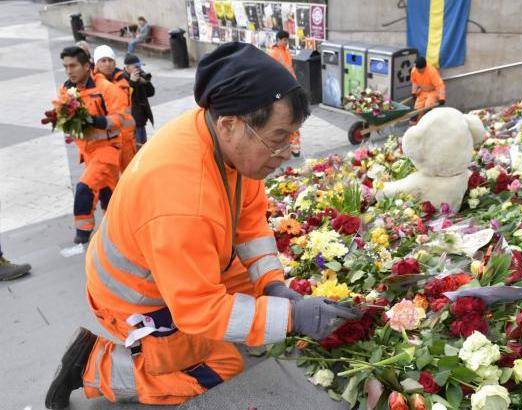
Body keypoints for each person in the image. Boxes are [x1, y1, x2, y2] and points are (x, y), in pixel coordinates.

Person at [44, 42, 360, 409]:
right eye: (278, 137)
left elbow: (251, 222)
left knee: (255, 309)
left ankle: (247, 320)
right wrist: (292, 317)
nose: (288, 151)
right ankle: (94, 367)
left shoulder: (225, 141)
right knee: (222, 365)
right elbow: (198, 310)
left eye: (292, 137)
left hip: (175, 266)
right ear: (229, 125)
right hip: (137, 297)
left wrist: (272, 286)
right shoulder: (182, 196)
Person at [52, 47, 129, 244]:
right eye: (65, 66)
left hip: (108, 149)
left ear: (87, 66)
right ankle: (121, 226)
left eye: (73, 65)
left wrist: (93, 121)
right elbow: (63, 114)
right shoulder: (67, 90)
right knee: (108, 192)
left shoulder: (106, 89)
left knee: (85, 187)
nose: (69, 71)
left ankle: (83, 232)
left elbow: (121, 118)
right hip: (88, 153)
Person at [93, 45, 137, 171]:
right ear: (96, 64)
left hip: (128, 139)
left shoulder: (123, 80)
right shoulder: (94, 85)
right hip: (109, 140)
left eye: (110, 60)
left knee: (130, 176)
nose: (107, 64)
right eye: (103, 60)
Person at [268, 30, 301, 157]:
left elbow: (290, 69)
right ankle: (282, 146)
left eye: (287, 40)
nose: (287, 42)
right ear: (279, 39)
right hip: (279, 91)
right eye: (285, 40)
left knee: (294, 116)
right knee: (282, 117)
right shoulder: (272, 53)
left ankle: (294, 146)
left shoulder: (286, 51)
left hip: (290, 88)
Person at [123, 53, 154, 150]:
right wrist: (132, 82)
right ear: (127, 68)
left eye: (139, 66)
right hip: (133, 121)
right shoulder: (122, 79)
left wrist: (145, 82)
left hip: (141, 119)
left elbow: (151, 92)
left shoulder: (140, 76)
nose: (139, 69)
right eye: (136, 67)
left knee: (143, 148)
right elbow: (125, 98)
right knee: (138, 150)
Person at [410, 56, 445, 123]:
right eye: (417, 69)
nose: (418, 71)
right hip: (422, 91)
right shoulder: (414, 71)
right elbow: (414, 82)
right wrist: (414, 92)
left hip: (433, 91)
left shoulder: (432, 71)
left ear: (424, 67)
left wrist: (441, 98)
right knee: (417, 109)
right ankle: (416, 125)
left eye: (420, 70)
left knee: (428, 107)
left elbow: (439, 85)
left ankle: (427, 123)